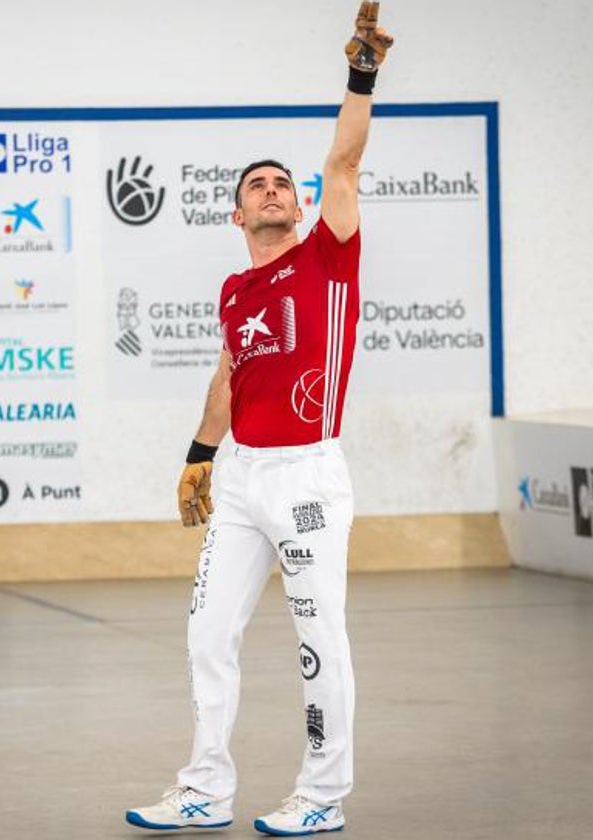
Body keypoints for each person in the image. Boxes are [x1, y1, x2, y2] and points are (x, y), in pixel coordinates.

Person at [125, 3, 393, 835]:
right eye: (256, 187)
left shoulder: (328, 250)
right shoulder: (235, 290)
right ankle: (205, 790)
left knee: (319, 643)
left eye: (282, 183)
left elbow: (342, 161)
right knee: (208, 634)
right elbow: (229, 372)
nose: (273, 190)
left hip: (309, 474)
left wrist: (361, 71)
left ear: (300, 203)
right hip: (241, 475)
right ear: (237, 216)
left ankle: (321, 797)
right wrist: (200, 455)